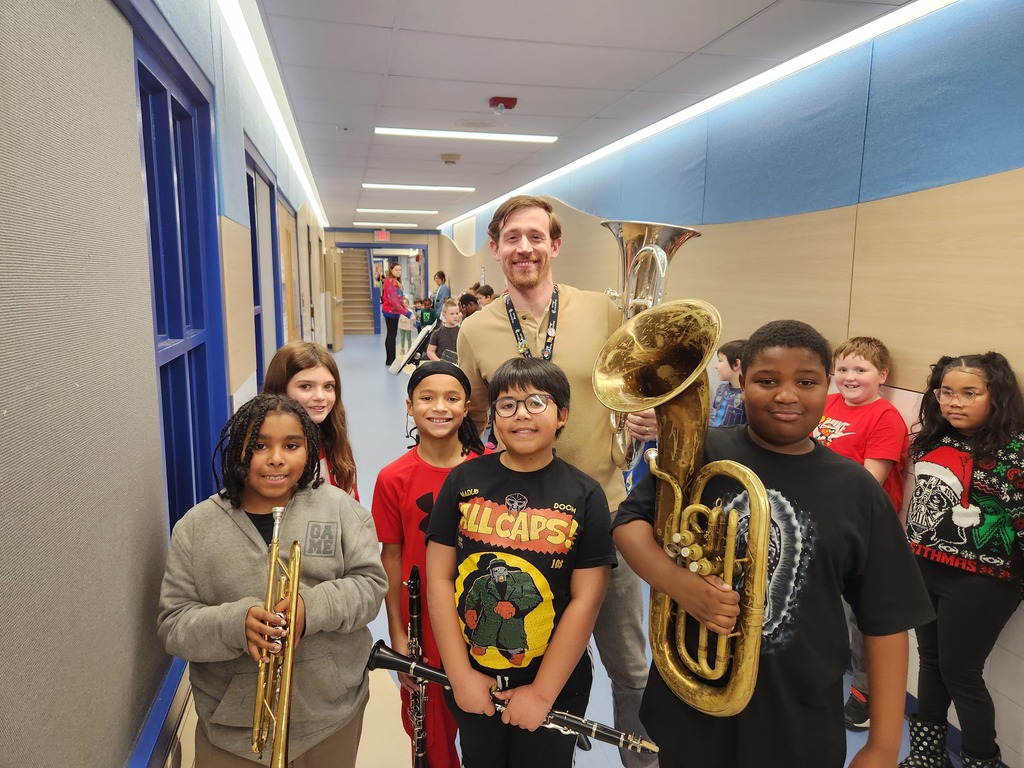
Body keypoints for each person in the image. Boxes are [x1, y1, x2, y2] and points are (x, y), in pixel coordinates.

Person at [612, 319, 933, 768]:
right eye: (767, 380)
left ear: (828, 388)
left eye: (806, 381)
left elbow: (886, 620)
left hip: (799, 716)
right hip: (691, 703)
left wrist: (882, 744)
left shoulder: (857, 490)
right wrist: (678, 583)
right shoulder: (701, 452)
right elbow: (629, 525)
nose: (786, 395)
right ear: (742, 382)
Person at [456, 195, 657, 768]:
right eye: (512, 238)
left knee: (631, 667)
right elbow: (472, 414)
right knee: (520, 648)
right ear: (495, 249)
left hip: (606, 511)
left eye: (536, 237)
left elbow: (637, 384)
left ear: (555, 245)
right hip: (520, 525)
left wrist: (648, 416)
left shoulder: (603, 309)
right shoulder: (475, 328)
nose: (525, 247)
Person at [157, 393, 388, 767]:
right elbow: (173, 625)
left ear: (310, 450)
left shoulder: (340, 510)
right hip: (232, 730)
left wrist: (309, 608)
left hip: (330, 716)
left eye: (291, 445)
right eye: (259, 446)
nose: (276, 458)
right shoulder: (196, 528)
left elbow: (370, 587)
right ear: (237, 451)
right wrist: (236, 624)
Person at [425, 357, 616, 768]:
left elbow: (587, 599)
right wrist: (460, 676)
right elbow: (439, 579)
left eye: (536, 402)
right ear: (492, 417)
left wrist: (542, 694)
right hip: (474, 675)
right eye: (507, 405)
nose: (521, 415)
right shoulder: (463, 481)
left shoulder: (585, 494)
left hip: (555, 683)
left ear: (562, 415)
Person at [900, 353, 1024, 768]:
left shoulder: (1016, 451)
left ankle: (979, 759)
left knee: (960, 671)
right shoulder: (935, 436)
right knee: (932, 661)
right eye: (946, 392)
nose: (954, 402)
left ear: (997, 395)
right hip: (924, 566)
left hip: (984, 580)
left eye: (970, 393)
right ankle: (926, 753)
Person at [371, 361, 488, 768]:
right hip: (422, 624)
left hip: (483, 618)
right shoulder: (392, 478)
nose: (439, 407)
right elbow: (392, 555)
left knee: (486, 730)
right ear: (409, 406)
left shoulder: (492, 466)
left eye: (452, 398)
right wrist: (397, 632)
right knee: (431, 737)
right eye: (427, 398)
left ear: (467, 406)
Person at [811, 336, 910, 731]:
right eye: (843, 369)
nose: (849, 378)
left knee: (859, 618)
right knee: (818, 606)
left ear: (882, 376)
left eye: (861, 370)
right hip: (816, 520)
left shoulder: (885, 417)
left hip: (859, 530)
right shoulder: (828, 403)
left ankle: (865, 694)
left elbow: (870, 484)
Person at [264, 340, 358, 497]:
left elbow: (352, 506)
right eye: (305, 386)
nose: (320, 397)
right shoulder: (266, 454)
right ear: (280, 389)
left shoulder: (334, 442)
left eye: (328, 386)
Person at [708, 339, 747, 427]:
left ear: (736, 364)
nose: (715, 366)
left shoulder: (747, 396)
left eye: (720, 360)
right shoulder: (721, 388)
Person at [383, 262, 414, 366]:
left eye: (400, 270)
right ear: (391, 270)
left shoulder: (396, 281)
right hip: (390, 312)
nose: (398, 272)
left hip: (394, 312)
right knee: (391, 335)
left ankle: (390, 359)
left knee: (392, 335)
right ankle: (391, 360)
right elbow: (394, 301)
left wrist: (405, 308)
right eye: (396, 270)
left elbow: (399, 299)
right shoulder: (390, 281)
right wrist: (407, 314)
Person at [427, 298, 461, 363]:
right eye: (452, 314)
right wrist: (439, 362)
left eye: (457, 313)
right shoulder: (437, 333)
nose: (455, 316)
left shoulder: (461, 332)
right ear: (444, 314)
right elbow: (430, 351)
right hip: (442, 367)